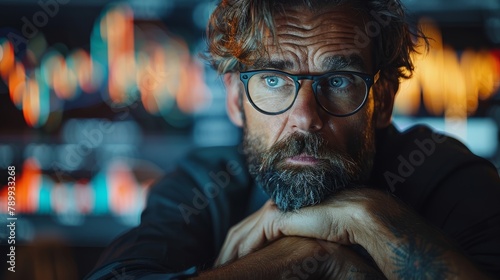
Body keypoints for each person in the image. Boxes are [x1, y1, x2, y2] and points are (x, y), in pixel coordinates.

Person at [86, 0, 500, 279]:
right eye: (272, 80)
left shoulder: (445, 175)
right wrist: (296, 257)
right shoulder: (200, 188)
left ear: (385, 98)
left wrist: (367, 218)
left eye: (338, 80)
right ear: (234, 98)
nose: (305, 118)